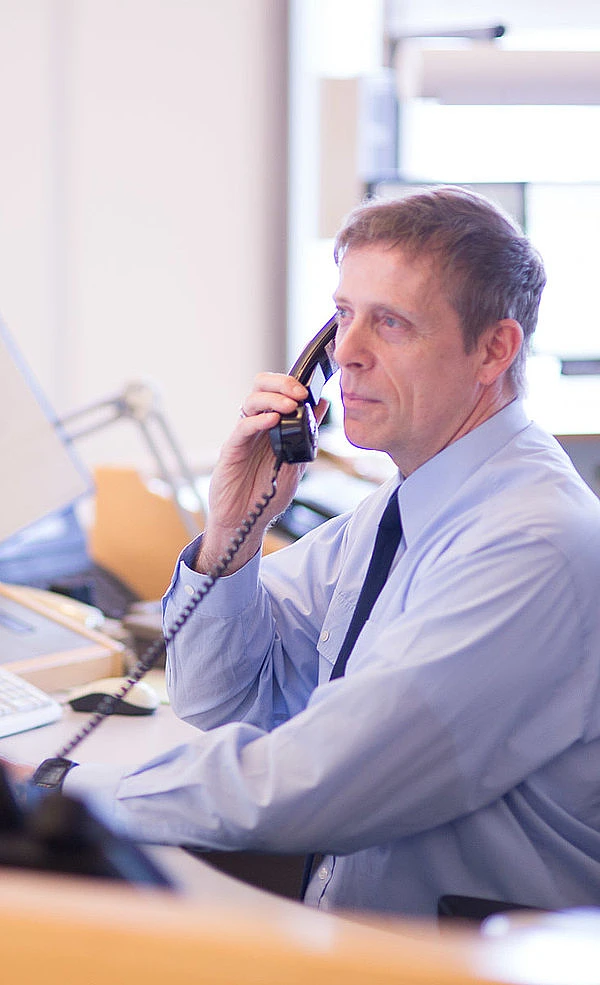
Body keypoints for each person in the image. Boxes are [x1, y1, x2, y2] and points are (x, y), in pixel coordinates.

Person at [6, 186, 600, 918]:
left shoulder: (530, 543)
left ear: (494, 349)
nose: (347, 355)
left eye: (391, 323)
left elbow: (320, 778)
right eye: (343, 316)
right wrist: (234, 529)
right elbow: (222, 698)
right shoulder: (398, 510)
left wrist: (52, 790)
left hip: (463, 964)